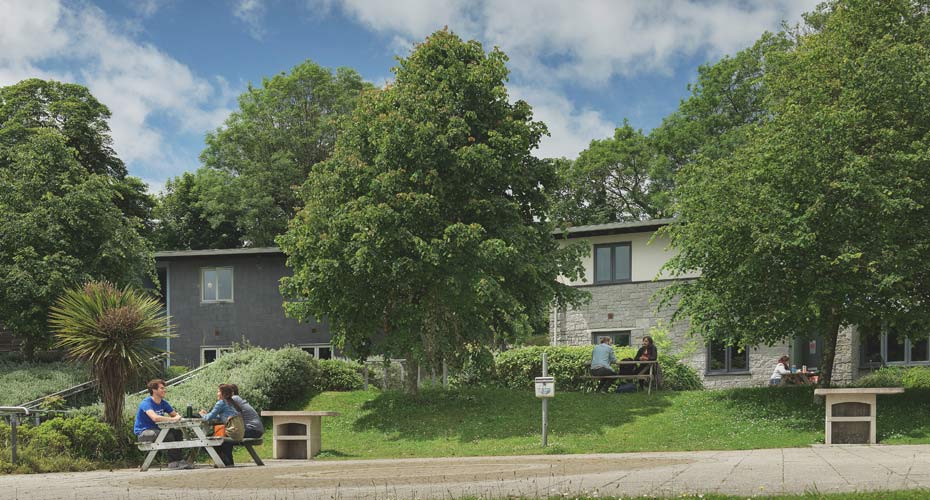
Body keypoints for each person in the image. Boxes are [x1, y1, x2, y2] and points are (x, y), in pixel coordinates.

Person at [134, 379, 193, 470]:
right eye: (161, 388)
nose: (164, 390)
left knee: (177, 433)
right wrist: (173, 419)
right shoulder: (146, 403)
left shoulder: (163, 403)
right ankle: (173, 463)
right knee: (168, 435)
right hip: (144, 433)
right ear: (154, 390)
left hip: (157, 431)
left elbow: (175, 414)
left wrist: (178, 417)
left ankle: (178, 460)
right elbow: (155, 418)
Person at [199, 384, 243, 466]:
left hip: (231, 431)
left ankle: (222, 460)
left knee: (204, 442)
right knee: (222, 439)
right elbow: (224, 415)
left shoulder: (221, 403)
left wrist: (202, 415)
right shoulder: (232, 402)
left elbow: (208, 418)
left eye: (218, 391)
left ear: (224, 393)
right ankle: (227, 461)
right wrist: (209, 414)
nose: (217, 393)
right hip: (238, 431)